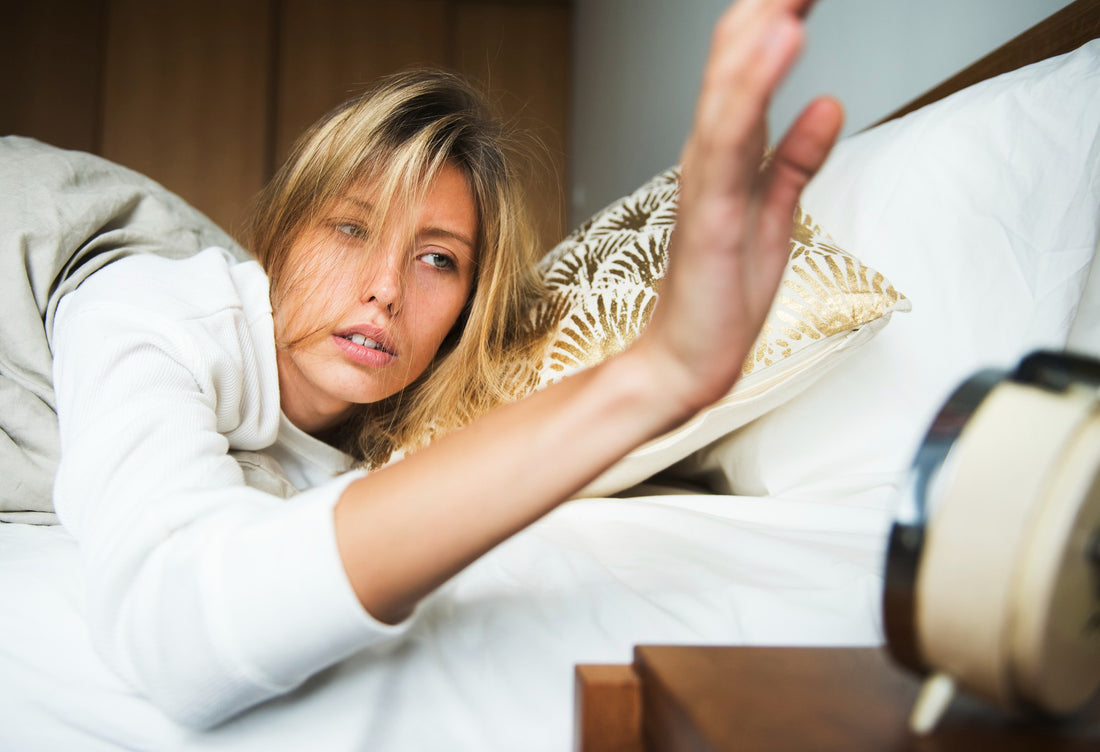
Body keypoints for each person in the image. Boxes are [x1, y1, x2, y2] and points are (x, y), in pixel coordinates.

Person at [49, 0, 843, 729]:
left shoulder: (408, 415)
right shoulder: (146, 317)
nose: (385, 292)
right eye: (351, 230)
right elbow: (175, 635)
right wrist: (653, 377)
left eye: (437, 259)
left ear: (469, 300)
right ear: (279, 235)